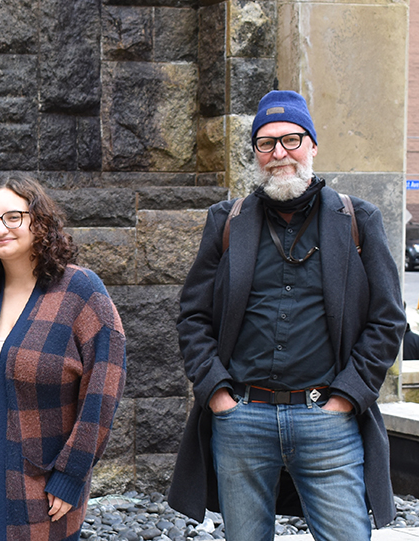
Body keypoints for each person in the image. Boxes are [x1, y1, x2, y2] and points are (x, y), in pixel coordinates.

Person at [168, 90, 406, 540]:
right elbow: (192, 316)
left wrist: (346, 397)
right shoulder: (227, 222)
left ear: (313, 145)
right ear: (256, 154)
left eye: (292, 139)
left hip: (328, 421)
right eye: (266, 143)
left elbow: (388, 319)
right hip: (242, 421)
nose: (279, 153)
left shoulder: (358, 219)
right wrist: (219, 395)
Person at [0, 175, 127, 541]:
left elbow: (104, 386)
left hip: (41, 469)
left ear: (38, 221)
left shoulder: (79, 290)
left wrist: (72, 472)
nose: (0, 228)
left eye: (13, 216)